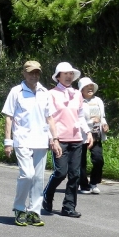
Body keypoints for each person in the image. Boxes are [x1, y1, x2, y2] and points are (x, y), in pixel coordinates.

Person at [3, 61, 61, 226]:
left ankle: (34, 212)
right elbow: (9, 117)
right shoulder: (16, 92)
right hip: (22, 140)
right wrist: (8, 141)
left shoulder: (45, 92)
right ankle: (20, 208)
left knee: (37, 178)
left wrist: (54, 139)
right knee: (27, 175)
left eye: (36, 72)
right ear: (24, 73)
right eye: (30, 72)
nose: (34, 75)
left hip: (41, 140)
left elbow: (50, 118)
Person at [42, 62, 92, 218]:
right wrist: (52, 139)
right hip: (60, 139)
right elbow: (47, 118)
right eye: (65, 74)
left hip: (76, 138)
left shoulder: (77, 94)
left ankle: (68, 206)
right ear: (58, 77)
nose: (69, 76)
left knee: (75, 174)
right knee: (60, 172)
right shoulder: (51, 94)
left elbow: (80, 115)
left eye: (71, 74)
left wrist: (87, 132)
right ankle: (47, 194)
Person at [77, 77, 109, 195]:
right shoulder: (78, 101)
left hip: (96, 135)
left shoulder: (98, 100)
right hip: (82, 135)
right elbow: (78, 118)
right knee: (81, 162)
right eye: (87, 87)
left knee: (98, 159)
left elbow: (102, 117)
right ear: (81, 89)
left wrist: (105, 125)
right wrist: (89, 125)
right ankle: (83, 185)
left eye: (91, 87)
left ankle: (94, 182)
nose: (90, 89)